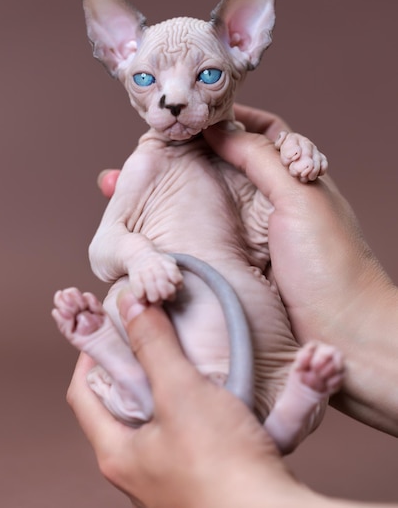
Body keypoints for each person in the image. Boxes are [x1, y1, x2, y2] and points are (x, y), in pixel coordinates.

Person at [67, 104, 398, 507]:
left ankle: (116, 360)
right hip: (234, 357)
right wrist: (139, 256)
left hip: (252, 365)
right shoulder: (149, 159)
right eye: (146, 80)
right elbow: (104, 249)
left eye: (206, 74)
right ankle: (302, 393)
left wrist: (291, 159)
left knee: (239, 424)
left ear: (244, 47)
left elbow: (267, 223)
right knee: (267, 433)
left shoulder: (232, 165)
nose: (175, 97)